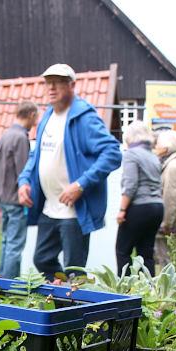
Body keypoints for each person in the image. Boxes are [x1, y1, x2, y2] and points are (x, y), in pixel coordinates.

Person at [18, 64, 122, 281]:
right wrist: (24, 180)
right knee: (42, 259)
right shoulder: (46, 116)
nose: (52, 88)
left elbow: (112, 152)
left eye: (58, 82)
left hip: (75, 211)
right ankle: (60, 295)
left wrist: (80, 184)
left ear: (72, 85)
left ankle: (71, 308)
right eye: (48, 83)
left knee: (75, 269)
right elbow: (35, 155)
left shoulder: (84, 117)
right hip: (50, 206)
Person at [0, 101, 39, 279]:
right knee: (15, 244)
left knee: (6, 241)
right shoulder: (20, 137)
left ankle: (2, 281)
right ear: (32, 115)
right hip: (15, 198)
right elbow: (24, 171)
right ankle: (10, 287)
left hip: (3, 198)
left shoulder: (5, 135)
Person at [115, 120, 164, 275]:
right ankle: (149, 291)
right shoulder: (153, 156)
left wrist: (122, 210)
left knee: (123, 251)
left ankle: (124, 292)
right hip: (157, 207)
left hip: (139, 207)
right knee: (146, 252)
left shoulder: (131, 154)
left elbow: (130, 185)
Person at [153, 129, 176, 267]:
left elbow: (171, 196)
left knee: (168, 261)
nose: (155, 147)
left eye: (157, 144)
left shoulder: (173, 166)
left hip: (171, 221)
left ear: (166, 147)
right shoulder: (173, 163)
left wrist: (166, 224)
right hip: (173, 219)